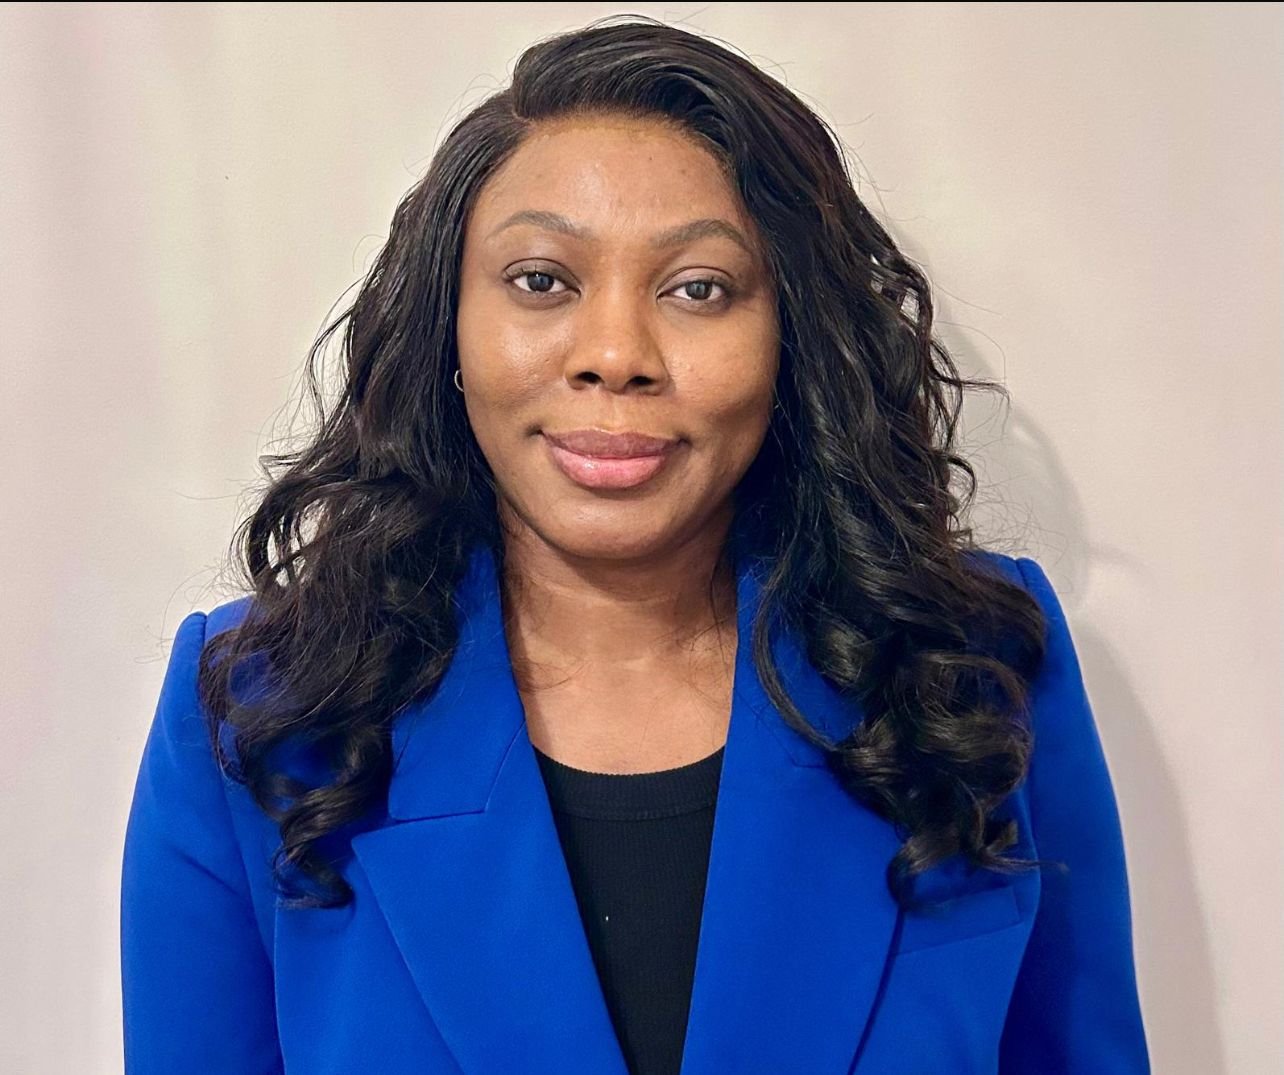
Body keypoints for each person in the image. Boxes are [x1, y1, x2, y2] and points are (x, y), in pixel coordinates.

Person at [120, 14, 1150, 1075]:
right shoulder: (261, 713)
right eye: (542, 280)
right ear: (448, 329)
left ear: (792, 340)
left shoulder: (971, 672)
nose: (615, 354)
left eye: (698, 288)